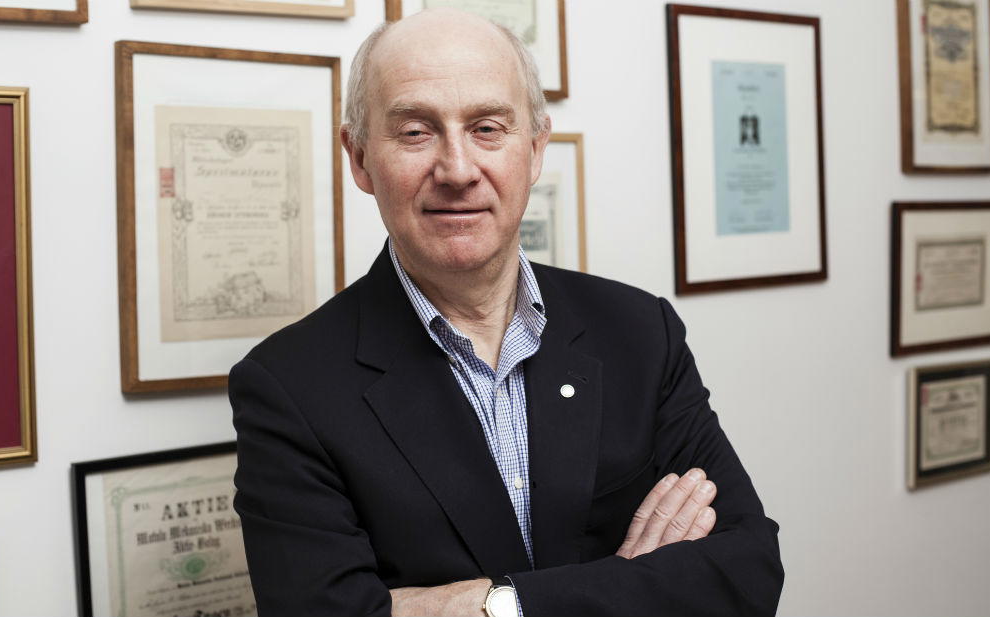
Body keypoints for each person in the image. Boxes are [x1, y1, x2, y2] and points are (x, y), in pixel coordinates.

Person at [230, 8, 784, 616]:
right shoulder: (287, 386)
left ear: (536, 148)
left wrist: (496, 605)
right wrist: (627, 582)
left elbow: (748, 568)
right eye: (415, 132)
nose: (458, 170)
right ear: (359, 157)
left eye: (487, 128)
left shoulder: (639, 332)